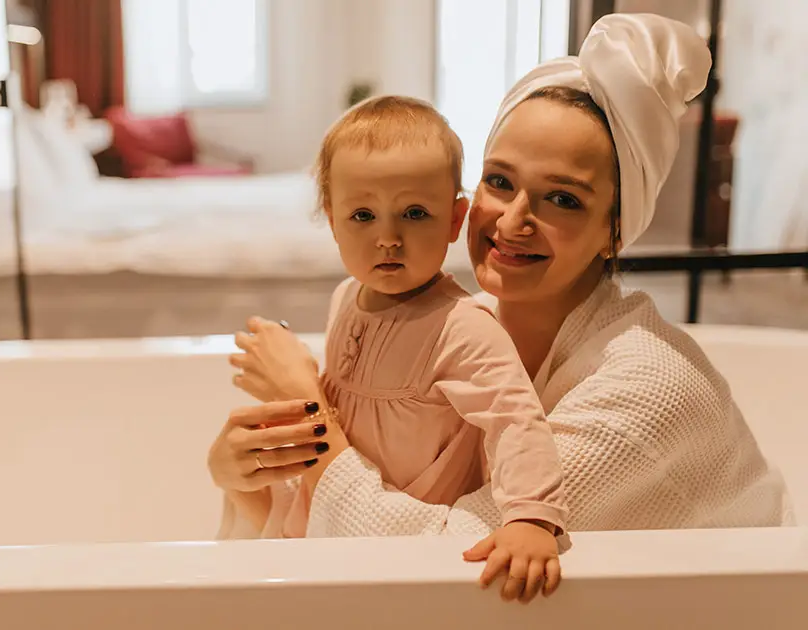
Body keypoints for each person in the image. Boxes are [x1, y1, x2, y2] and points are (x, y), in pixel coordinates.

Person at [208, 13, 793, 603]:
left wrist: (310, 421)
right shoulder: (462, 321)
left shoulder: (647, 389)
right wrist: (247, 482)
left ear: (614, 233)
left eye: (562, 198)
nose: (512, 220)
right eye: (499, 181)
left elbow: (447, 558)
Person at [229, 94, 570, 600]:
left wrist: (530, 517)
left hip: (405, 551)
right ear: (332, 218)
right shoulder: (347, 296)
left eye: (414, 213)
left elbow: (516, 418)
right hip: (323, 523)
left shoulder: (462, 326)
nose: (388, 237)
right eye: (362, 215)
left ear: (456, 221)